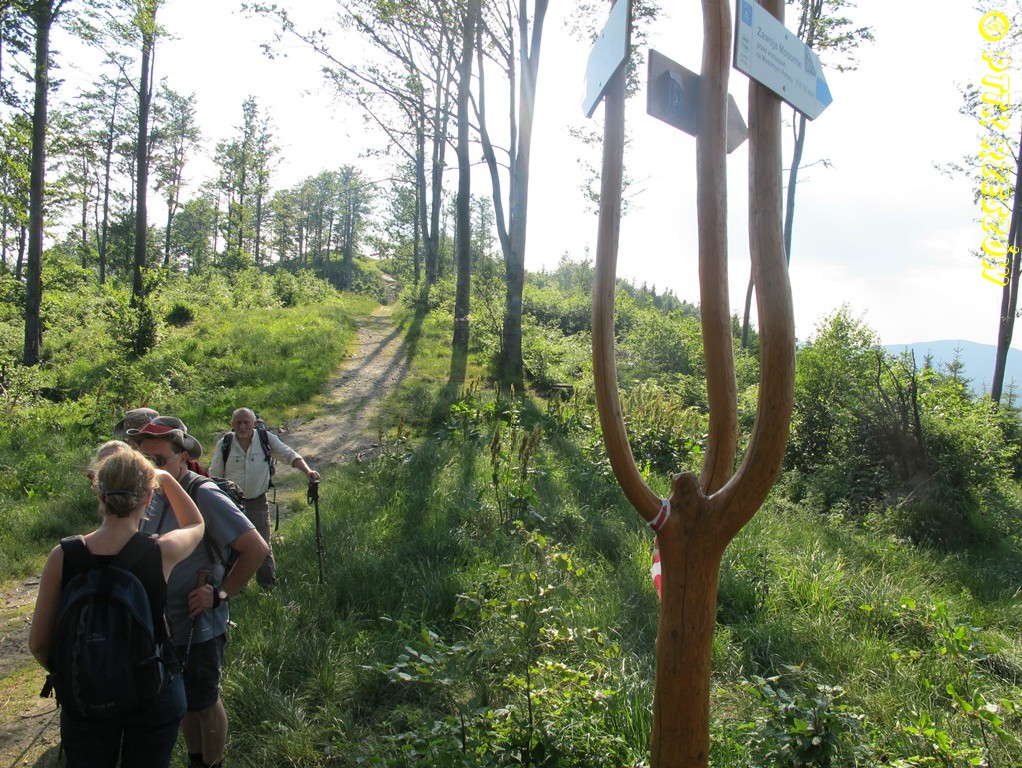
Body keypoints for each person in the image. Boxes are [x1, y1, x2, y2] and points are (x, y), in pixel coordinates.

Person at [29, 444, 205, 768]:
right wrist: (166, 478)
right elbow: (195, 524)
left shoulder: (63, 555)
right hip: (153, 691)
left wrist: (80, 673)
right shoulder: (160, 551)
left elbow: (38, 644)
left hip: (84, 697)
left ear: (99, 493)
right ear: (148, 497)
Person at [130, 417, 269, 768]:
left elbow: (256, 548)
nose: (151, 468)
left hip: (199, 623)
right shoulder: (150, 494)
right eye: (144, 460)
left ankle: (213, 763)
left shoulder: (202, 493)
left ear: (182, 458)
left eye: (159, 460)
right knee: (184, 701)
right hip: (164, 624)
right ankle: (197, 761)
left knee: (204, 701)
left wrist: (219, 595)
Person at [209, 407, 320, 589]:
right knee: (231, 546)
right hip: (231, 503)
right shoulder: (225, 443)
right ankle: (234, 589)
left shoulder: (265, 439)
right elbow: (214, 474)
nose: (242, 427)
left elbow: (289, 455)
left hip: (257, 502)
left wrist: (308, 472)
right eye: (238, 422)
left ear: (253, 424)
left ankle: (267, 586)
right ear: (232, 424)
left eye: (246, 422)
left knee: (262, 545)